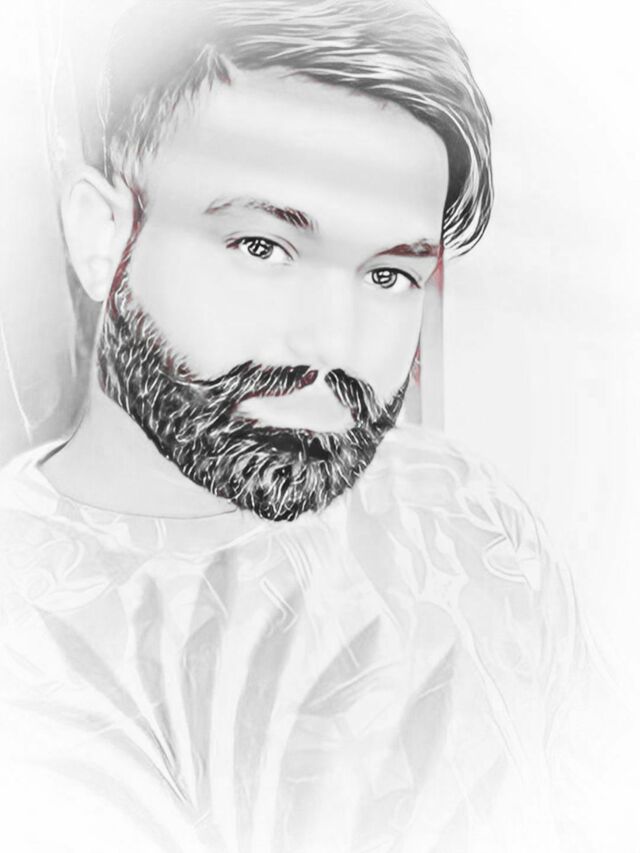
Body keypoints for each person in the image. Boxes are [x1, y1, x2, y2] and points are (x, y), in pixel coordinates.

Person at [0, 1, 591, 851]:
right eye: (262, 247)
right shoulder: (27, 639)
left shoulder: (470, 513)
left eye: (388, 274)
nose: (332, 345)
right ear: (105, 237)